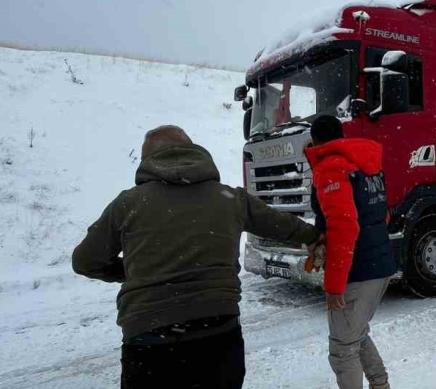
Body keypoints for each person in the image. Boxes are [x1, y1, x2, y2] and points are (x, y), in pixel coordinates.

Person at [72, 125, 321, 389]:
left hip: (149, 344)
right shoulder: (230, 198)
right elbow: (283, 225)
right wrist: (316, 237)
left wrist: (128, 271)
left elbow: (85, 261)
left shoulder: (127, 204)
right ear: (192, 149)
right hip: (219, 339)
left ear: (148, 161)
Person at [305, 115, 397, 389]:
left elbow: (344, 227)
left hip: (357, 271)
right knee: (356, 334)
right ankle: (380, 385)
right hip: (379, 264)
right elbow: (382, 215)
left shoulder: (331, 168)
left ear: (315, 141)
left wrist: (334, 284)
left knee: (343, 351)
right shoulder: (366, 164)